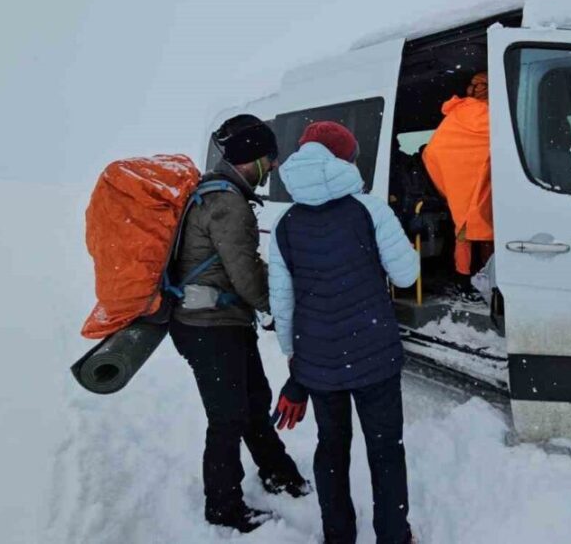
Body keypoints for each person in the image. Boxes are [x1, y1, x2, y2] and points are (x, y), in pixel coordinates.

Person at [268, 121, 420, 544]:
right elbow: (407, 276)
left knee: (331, 447)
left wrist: (294, 360)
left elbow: (283, 304)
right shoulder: (369, 209)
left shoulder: (285, 224)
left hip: (318, 364)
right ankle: (393, 535)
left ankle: (338, 536)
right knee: (385, 449)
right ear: (344, 159)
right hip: (375, 354)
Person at [169, 114, 308, 532]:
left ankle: (278, 471)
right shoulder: (228, 204)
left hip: (221, 322)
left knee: (251, 400)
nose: (275, 165)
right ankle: (223, 506)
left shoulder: (219, 194)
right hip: (209, 326)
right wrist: (279, 307)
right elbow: (245, 275)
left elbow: (239, 269)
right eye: (270, 157)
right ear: (252, 158)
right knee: (228, 414)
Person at [422, 72, 494, 278]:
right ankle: (479, 276)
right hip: (482, 182)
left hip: (460, 186)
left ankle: (468, 277)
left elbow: (433, 151)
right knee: (485, 229)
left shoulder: (459, 113)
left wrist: (448, 180)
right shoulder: (493, 112)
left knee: (466, 232)